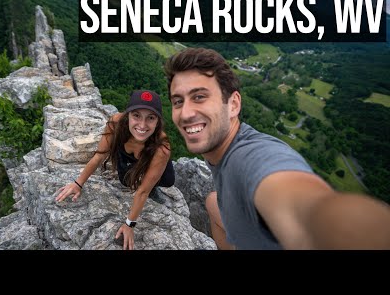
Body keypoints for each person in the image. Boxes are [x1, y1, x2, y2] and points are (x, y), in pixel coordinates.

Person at [164, 47, 390, 250]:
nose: (185, 113)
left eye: (200, 97)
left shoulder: (251, 157)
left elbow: (307, 208)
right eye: (178, 101)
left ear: (233, 104)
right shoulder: (224, 150)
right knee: (213, 202)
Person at [55, 89, 175, 250]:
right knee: (125, 180)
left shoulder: (162, 147)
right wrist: (78, 183)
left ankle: (149, 171)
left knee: (167, 181)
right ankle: (133, 165)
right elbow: (99, 157)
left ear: (158, 122)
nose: (142, 125)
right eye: (136, 115)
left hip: (151, 154)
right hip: (127, 155)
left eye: (150, 118)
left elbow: (143, 192)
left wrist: (129, 225)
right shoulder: (116, 124)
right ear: (128, 115)